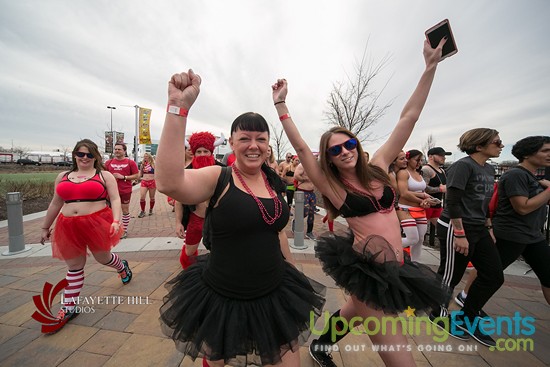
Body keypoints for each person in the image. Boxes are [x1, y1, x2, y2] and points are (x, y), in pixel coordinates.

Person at [274, 37, 450, 367]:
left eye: (348, 143)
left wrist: (430, 67)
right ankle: (322, 346)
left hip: (398, 267)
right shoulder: (332, 186)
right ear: (328, 158)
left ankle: (322, 345)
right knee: (402, 361)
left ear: (357, 143)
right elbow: (299, 148)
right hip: (369, 272)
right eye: (335, 150)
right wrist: (281, 107)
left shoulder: (380, 166)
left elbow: (408, 117)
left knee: (353, 309)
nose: (345, 151)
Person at [156, 69, 325, 367]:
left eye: (260, 138)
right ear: (232, 144)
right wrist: (177, 108)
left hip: (275, 290)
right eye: (244, 138)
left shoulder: (272, 181)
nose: (253, 145)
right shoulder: (217, 178)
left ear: (268, 145)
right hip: (224, 297)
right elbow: (169, 182)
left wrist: (293, 269)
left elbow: (276, 231)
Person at [39, 139, 132, 333]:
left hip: (97, 223)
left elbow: (115, 199)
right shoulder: (63, 176)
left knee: (103, 258)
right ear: (74, 155)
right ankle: (68, 307)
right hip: (68, 225)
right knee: (74, 267)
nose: (84, 158)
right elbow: (56, 203)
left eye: (89, 154)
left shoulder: (104, 175)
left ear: (95, 156)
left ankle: (122, 266)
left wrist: (116, 221)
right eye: (81, 154)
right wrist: (45, 227)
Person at [429, 128, 504, 348]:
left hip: (478, 228)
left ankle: (467, 317)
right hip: (457, 227)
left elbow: (483, 202)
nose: (501, 145)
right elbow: (452, 202)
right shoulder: (463, 166)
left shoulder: (489, 169)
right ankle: (438, 313)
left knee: (493, 275)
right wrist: (460, 234)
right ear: (479, 145)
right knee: (451, 275)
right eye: (497, 141)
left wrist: (488, 225)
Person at [456, 136, 550, 311]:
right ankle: (466, 302)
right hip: (511, 234)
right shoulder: (516, 175)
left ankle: (467, 302)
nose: (549, 154)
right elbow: (522, 207)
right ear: (528, 154)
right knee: (490, 273)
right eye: (545, 151)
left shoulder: (534, 178)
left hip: (533, 235)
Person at [177, 131, 225, 269]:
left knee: (221, 252)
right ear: (194, 153)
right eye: (199, 151)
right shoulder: (186, 173)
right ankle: (190, 276)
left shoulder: (224, 171)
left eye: (206, 151)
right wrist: (178, 222)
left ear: (212, 152)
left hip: (218, 219)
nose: (203, 154)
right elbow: (179, 200)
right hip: (196, 218)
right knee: (189, 253)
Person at [397, 149, 436, 262]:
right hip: (406, 209)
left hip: (420, 209)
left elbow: (421, 191)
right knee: (412, 239)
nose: (419, 162)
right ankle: (386, 245)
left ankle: (415, 264)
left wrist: (428, 199)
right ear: (408, 160)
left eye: (421, 160)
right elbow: (403, 193)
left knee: (420, 240)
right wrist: (422, 199)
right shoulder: (403, 173)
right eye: (417, 160)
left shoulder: (419, 173)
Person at [105, 143, 139, 238]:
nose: (116, 151)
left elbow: (137, 175)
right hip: (111, 191)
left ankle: (124, 230)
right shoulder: (108, 163)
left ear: (124, 151)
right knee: (110, 211)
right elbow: (102, 175)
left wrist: (124, 177)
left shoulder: (130, 163)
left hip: (125, 190)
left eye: (119, 149)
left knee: (125, 210)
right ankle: (112, 229)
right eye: (115, 149)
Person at [422, 147, 451, 226]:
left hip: (437, 205)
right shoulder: (426, 169)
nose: (444, 158)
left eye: (444, 155)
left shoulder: (441, 170)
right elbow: (423, 188)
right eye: (441, 155)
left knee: (442, 227)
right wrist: (440, 189)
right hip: (427, 205)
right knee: (421, 232)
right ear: (431, 157)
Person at [294, 157, 318, 240]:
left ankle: (309, 232)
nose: (316, 158)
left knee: (312, 212)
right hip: (302, 191)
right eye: (315, 156)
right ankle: (295, 222)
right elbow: (296, 175)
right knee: (304, 212)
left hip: (312, 192)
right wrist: (305, 179)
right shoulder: (302, 165)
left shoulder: (316, 167)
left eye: (317, 157)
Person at [138, 152, 156, 218]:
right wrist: (136, 178)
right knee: (142, 197)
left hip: (152, 182)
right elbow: (140, 174)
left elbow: (157, 173)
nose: (145, 158)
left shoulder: (153, 164)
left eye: (147, 156)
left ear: (149, 157)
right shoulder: (142, 165)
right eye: (144, 157)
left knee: (152, 197)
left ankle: (151, 209)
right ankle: (143, 211)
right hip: (144, 182)